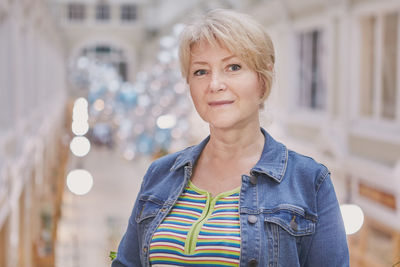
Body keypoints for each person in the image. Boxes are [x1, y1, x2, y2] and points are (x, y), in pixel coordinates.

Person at [112, 9, 349, 267]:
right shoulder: (160, 174)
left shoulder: (308, 182)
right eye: (201, 71)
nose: (215, 84)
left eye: (233, 67)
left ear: (263, 79)